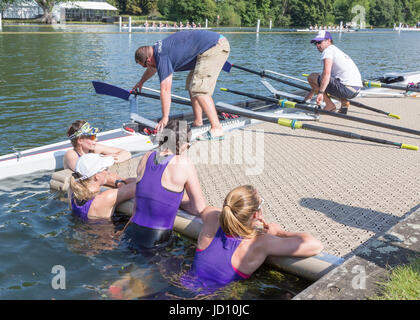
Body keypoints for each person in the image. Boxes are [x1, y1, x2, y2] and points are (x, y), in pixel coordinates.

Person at [181, 185, 323, 292]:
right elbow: (315, 245)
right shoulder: (260, 242)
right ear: (256, 215)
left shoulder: (212, 218)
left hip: (183, 285)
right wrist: (280, 232)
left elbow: (203, 209)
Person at [122, 120, 208, 250]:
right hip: (157, 239)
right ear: (184, 145)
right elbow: (199, 208)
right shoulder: (184, 163)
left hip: (131, 232)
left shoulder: (146, 157)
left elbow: (139, 202)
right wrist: (177, 202)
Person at [132, 30, 230, 140]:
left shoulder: (162, 57)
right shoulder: (156, 50)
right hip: (206, 48)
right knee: (191, 85)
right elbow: (152, 69)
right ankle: (198, 122)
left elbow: (165, 90)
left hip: (215, 46)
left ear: (148, 60)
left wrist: (165, 117)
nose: (147, 68)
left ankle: (217, 129)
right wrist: (141, 82)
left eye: (145, 66)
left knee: (200, 89)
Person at [304, 31, 362, 114]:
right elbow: (325, 79)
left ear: (328, 41)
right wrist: (312, 92)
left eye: (319, 42)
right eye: (315, 43)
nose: (317, 45)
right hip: (356, 89)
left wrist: (320, 93)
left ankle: (329, 105)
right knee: (322, 80)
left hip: (347, 89)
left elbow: (326, 74)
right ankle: (344, 102)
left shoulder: (328, 51)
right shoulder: (336, 50)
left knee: (312, 77)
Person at [68, 153, 136, 221]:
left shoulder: (72, 189)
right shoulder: (106, 197)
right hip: (108, 230)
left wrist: (116, 182)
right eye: (105, 169)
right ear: (97, 176)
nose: (108, 172)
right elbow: (140, 185)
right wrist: (121, 180)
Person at [64, 120, 131, 187]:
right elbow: (84, 171)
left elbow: (126, 153)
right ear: (80, 140)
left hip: (101, 181)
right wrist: (105, 158)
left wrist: (115, 159)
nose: (96, 139)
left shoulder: (95, 148)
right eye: (92, 137)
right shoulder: (71, 154)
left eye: (95, 136)